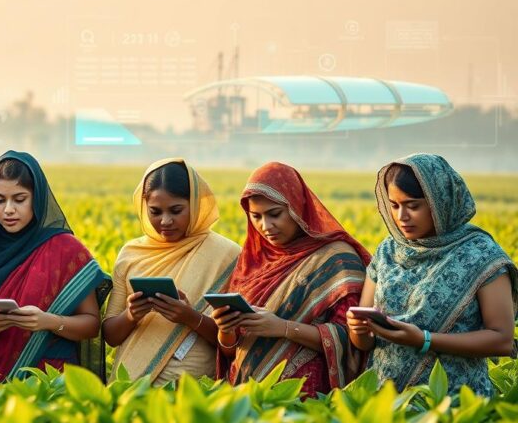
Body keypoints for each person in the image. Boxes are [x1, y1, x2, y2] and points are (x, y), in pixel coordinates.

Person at [347, 154, 517, 396]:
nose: (401, 217)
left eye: (413, 205)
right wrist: (358, 329)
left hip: (453, 402)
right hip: (386, 401)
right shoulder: (388, 250)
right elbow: (365, 342)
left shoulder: (481, 254)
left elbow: (502, 340)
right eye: (394, 206)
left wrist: (424, 340)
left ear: (441, 201)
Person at [214, 162, 370, 397]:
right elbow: (231, 349)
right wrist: (225, 330)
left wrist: (283, 328)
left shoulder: (336, 258)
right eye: (256, 216)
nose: (266, 226)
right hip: (245, 397)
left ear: (297, 207)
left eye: (275, 214)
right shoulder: (252, 262)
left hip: (305, 397)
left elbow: (350, 339)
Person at [0, 151, 108, 379]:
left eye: (20, 199)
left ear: (37, 197)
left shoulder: (65, 249)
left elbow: (91, 324)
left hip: (53, 380)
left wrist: (48, 321)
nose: (8, 209)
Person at [103, 159, 241, 385]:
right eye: (155, 212)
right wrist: (131, 314)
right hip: (132, 386)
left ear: (195, 205)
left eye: (176, 210)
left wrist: (190, 317)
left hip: (195, 388)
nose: (165, 221)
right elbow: (111, 336)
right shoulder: (131, 254)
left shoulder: (227, 255)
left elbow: (237, 344)